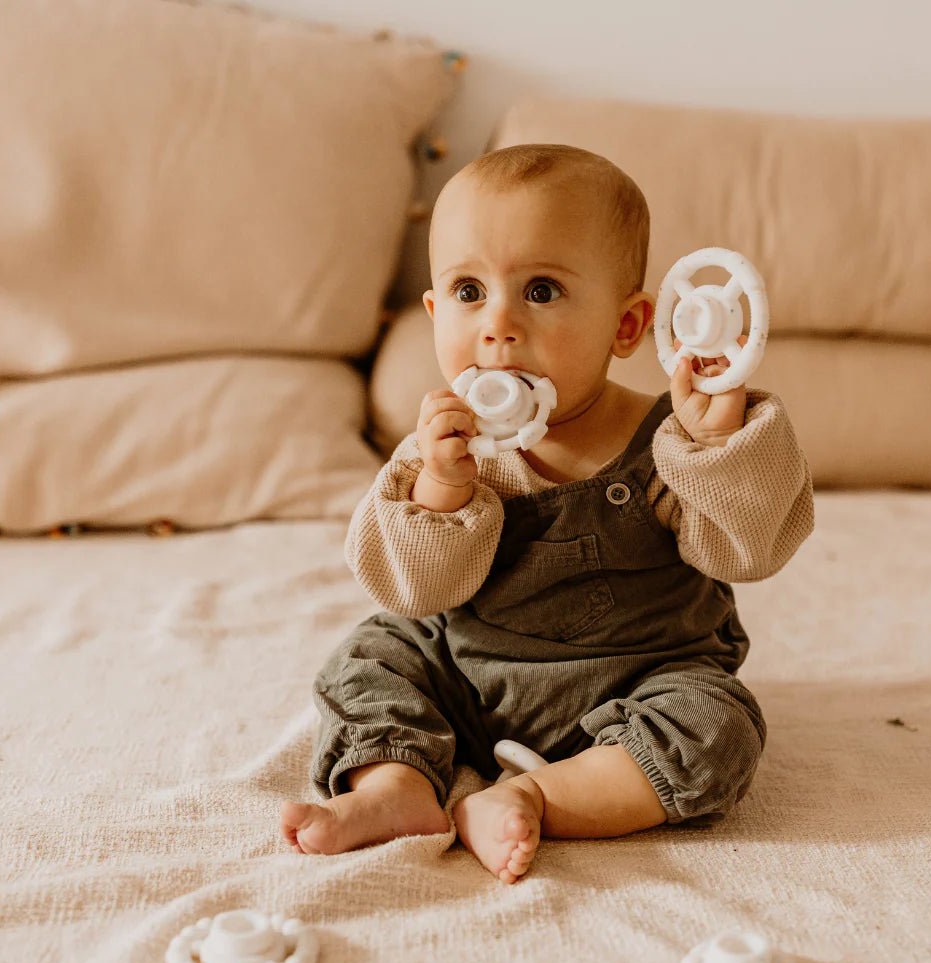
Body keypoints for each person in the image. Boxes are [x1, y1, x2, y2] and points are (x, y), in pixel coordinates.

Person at [279, 144, 814, 884]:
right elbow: (410, 591)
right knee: (372, 658)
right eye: (469, 291)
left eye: (540, 291)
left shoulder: (670, 438)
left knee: (717, 728)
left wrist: (717, 444)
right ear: (433, 312)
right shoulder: (444, 448)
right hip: (466, 671)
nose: (497, 324)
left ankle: (537, 795)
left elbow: (747, 550)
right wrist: (441, 491)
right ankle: (396, 786)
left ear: (627, 328)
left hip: (637, 678)